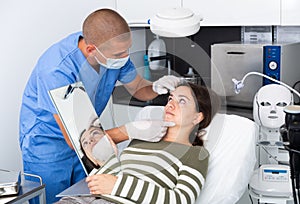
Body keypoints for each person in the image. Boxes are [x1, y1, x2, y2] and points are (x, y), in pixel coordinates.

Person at [19, 8, 180, 203]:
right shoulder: (57, 71)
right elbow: (78, 140)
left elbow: (138, 88)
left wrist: (156, 86)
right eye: (120, 53)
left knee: (88, 196)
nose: (125, 56)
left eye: (128, 49)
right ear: (91, 50)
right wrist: (132, 130)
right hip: (47, 144)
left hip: (87, 139)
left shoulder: (113, 54)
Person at [57, 82, 221, 204]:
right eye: (170, 98)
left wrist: (117, 186)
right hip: (86, 199)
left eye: (182, 101)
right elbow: (111, 176)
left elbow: (181, 199)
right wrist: (105, 156)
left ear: (197, 117)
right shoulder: (142, 138)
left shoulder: (195, 154)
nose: (170, 103)